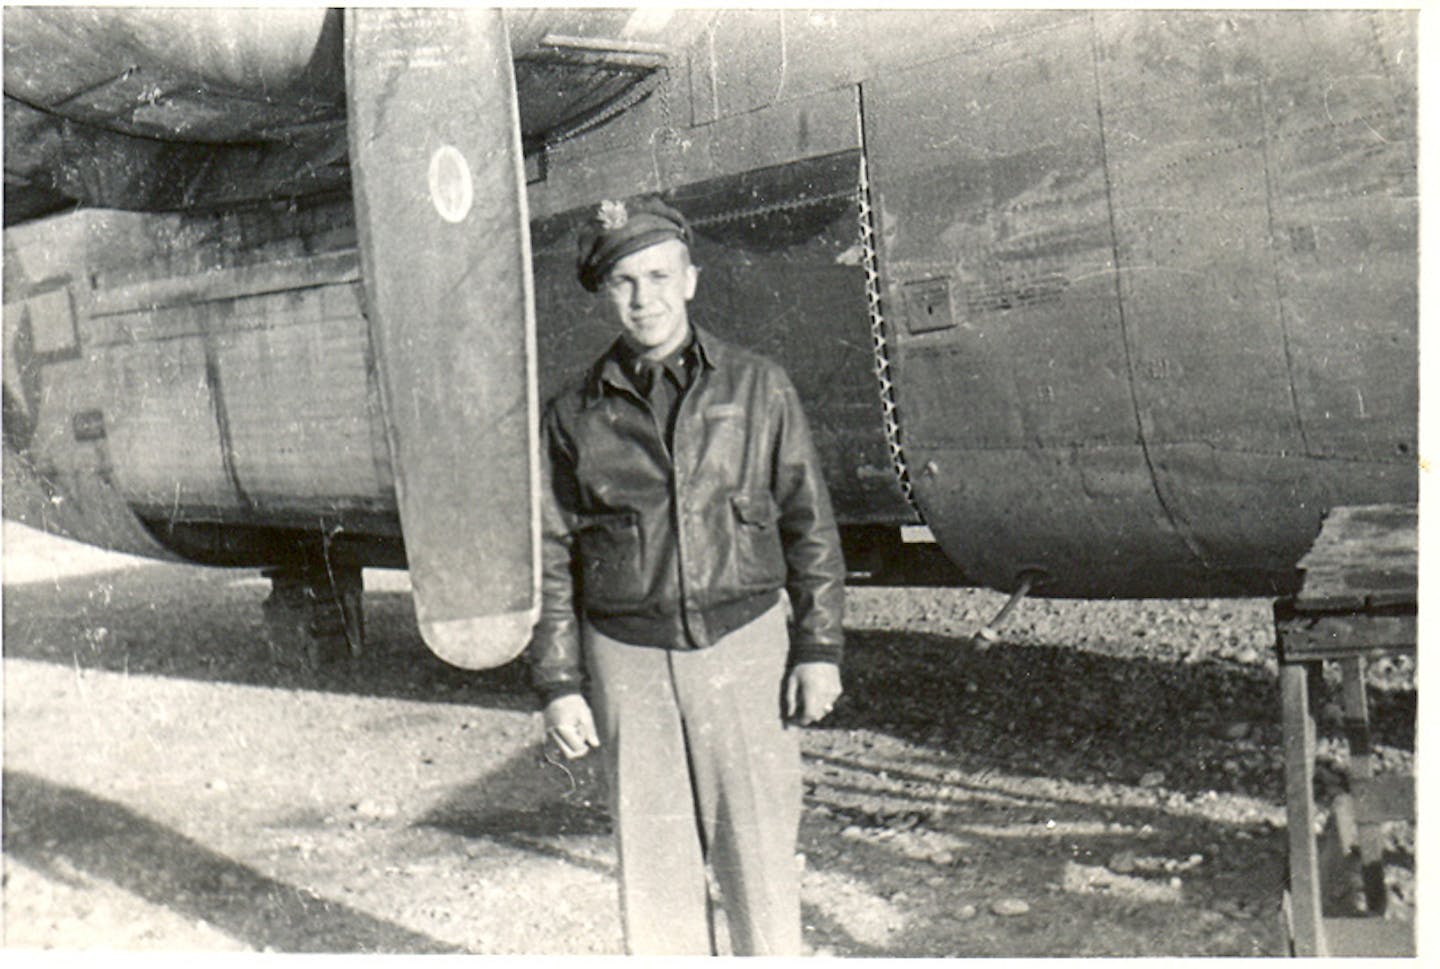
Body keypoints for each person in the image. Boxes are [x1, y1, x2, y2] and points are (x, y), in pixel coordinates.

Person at [527, 196, 845, 956]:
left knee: (761, 863)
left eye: (660, 276)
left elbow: (811, 526)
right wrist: (559, 681)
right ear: (606, 294)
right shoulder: (571, 414)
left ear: (691, 279)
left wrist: (819, 649)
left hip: (745, 645)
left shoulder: (758, 387)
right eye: (626, 282)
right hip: (627, 656)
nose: (646, 299)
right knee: (654, 871)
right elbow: (549, 552)